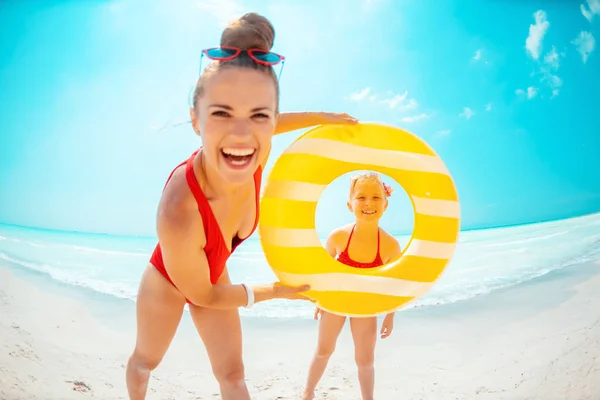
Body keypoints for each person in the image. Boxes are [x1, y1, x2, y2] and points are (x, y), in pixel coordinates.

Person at [125, 12, 358, 400]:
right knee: (146, 362)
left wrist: (325, 118)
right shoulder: (180, 209)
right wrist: (276, 291)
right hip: (167, 280)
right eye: (220, 114)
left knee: (233, 376)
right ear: (196, 121)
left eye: (258, 118)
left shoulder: (251, 150)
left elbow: (264, 121)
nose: (241, 133)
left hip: (212, 272)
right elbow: (203, 296)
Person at [302, 172, 402, 400]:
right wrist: (320, 300)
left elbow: (394, 284)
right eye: (361, 197)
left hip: (366, 305)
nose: (369, 203)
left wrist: (390, 315)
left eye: (376, 197)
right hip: (336, 300)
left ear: (385, 204)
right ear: (350, 204)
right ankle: (307, 393)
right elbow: (324, 273)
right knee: (324, 350)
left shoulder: (390, 245)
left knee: (365, 360)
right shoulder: (338, 237)